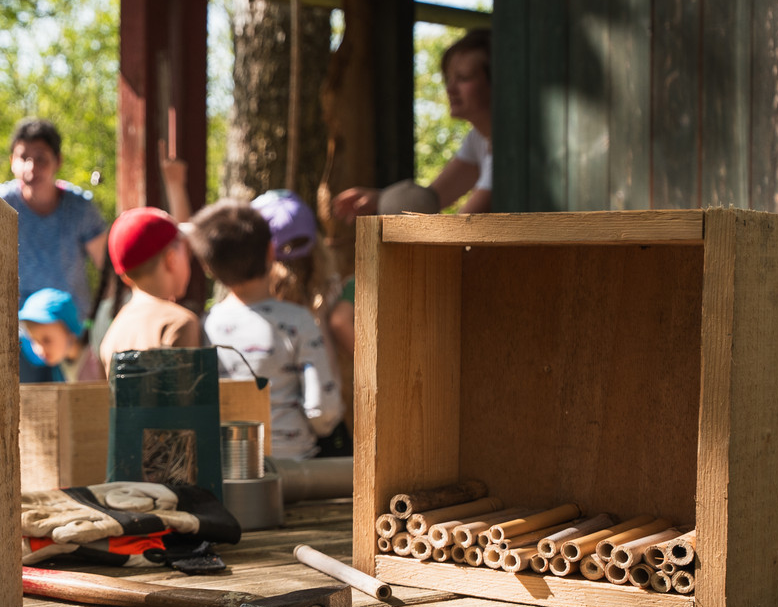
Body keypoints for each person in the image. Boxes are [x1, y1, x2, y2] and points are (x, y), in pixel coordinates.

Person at [188, 199, 344, 461]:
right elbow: (323, 410)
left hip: (227, 467)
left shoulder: (205, 325)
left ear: (207, 267)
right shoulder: (300, 321)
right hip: (294, 469)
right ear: (271, 252)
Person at [331, 29, 494, 221]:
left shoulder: (510, 152)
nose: (450, 89)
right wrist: (382, 198)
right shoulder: (478, 138)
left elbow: (464, 228)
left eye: (464, 78)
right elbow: (431, 199)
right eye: (449, 78)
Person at [0, 118, 107, 315]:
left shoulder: (80, 208)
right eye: (23, 157)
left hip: (71, 332)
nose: (31, 167)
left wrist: (99, 319)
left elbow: (108, 268)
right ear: (12, 161)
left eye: (40, 158)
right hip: (13, 329)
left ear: (58, 161)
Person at [97, 206, 204, 363]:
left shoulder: (113, 333)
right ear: (171, 259)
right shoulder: (179, 323)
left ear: (126, 277)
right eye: (185, 249)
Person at [18, 288, 100, 383]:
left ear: (70, 330)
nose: (39, 350)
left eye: (46, 340)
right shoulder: (58, 367)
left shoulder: (96, 362)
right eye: (33, 340)